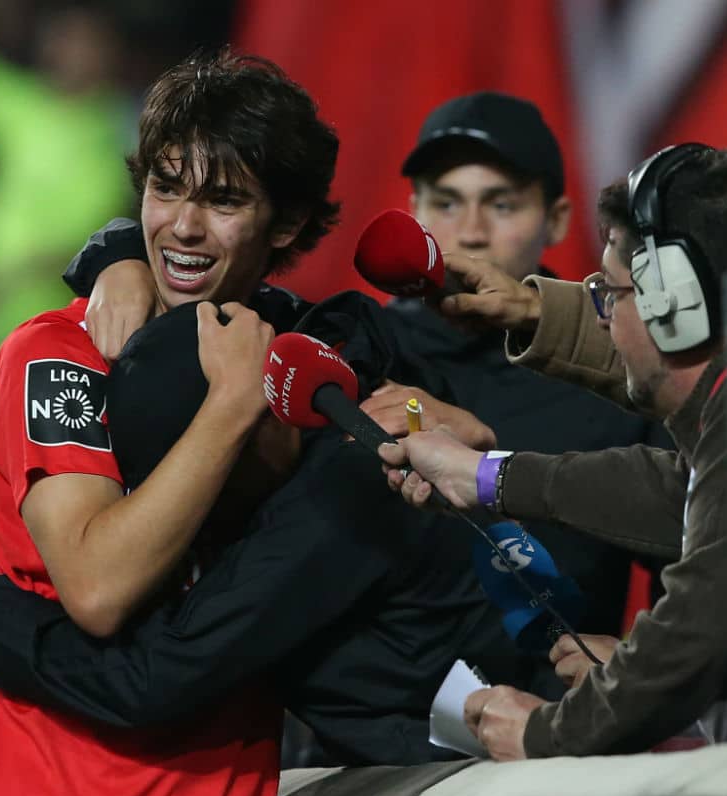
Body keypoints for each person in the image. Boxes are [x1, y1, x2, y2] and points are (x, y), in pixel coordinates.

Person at [0, 50, 337, 796]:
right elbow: (99, 584)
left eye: (222, 200)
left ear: (286, 224)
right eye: (165, 188)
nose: (182, 226)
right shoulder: (59, 353)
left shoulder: (309, 384)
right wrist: (227, 410)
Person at [63, 91, 670, 636]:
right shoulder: (360, 346)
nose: (472, 231)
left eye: (502, 205)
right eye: (446, 203)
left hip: (565, 729)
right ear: (414, 212)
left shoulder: (618, 372)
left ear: (557, 219)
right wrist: (119, 254)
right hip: (368, 746)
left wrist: (629, 679)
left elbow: (696, 555)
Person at [0, 288, 556, 768]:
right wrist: (116, 256)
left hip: (522, 777)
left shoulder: (336, 501)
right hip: (470, 767)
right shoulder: (338, 403)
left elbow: (149, 680)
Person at [380, 143, 727, 761]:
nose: (602, 319)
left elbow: (706, 623)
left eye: (609, 295)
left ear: (671, 305)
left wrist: (548, 733)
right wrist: (485, 477)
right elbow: (686, 495)